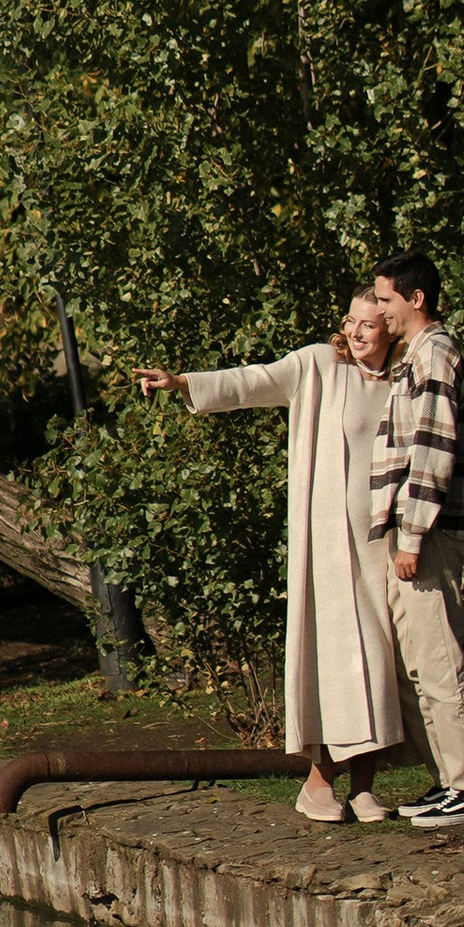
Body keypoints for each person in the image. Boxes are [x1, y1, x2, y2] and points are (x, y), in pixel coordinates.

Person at [137, 296, 406, 826]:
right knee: (334, 664)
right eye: (349, 320)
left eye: (368, 324)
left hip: (383, 546)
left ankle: (365, 787)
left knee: (379, 661)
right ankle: (318, 782)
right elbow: (252, 381)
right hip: (329, 549)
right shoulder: (318, 365)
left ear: (390, 330)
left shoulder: (403, 378)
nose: (353, 331)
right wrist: (184, 383)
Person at [367, 253, 464, 828]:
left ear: (416, 299)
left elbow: (434, 452)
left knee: (440, 660)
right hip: (417, 530)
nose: (379, 310)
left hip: (431, 532)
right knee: (420, 663)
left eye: (386, 299)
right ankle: (449, 782)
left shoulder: (435, 355)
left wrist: (413, 536)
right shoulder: (414, 358)